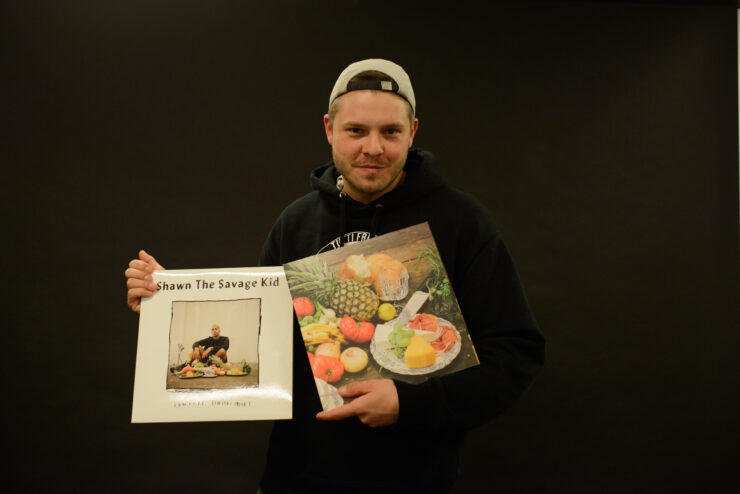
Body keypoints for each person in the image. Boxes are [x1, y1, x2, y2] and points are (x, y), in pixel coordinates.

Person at [125, 59, 545, 494]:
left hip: (416, 481)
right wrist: (171, 297)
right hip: (295, 477)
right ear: (329, 129)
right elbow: (263, 337)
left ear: (413, 132)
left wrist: (410, 403)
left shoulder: (462, 222)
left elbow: (516, 354)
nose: (373, 147)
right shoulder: (295, 223)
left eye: (390, 132)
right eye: (356, 130)